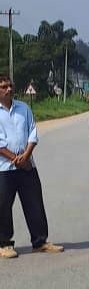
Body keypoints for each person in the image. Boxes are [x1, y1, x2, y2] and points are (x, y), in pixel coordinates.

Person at [0, 74, 64, 259]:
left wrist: (26, 156)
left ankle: (40, 241)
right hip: (4, 168)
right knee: (3, 206)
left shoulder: (24, 108)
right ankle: (4, 244)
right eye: (4, 87)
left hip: (28, 166)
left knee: (34, 203)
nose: (9, 89)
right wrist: (17, 159)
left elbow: (33, 133)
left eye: (10, 85)